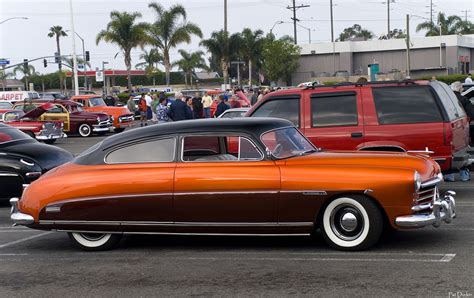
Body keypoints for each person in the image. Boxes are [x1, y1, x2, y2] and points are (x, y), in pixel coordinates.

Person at [444, 81, 474, 182]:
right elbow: (472, 114)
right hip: (461, 128)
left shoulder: (445, 100)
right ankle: (464, 175)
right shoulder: (464, 99)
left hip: (447, 129)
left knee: (450, 151)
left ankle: (449, 175)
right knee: (461, 151)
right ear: (460, 89)